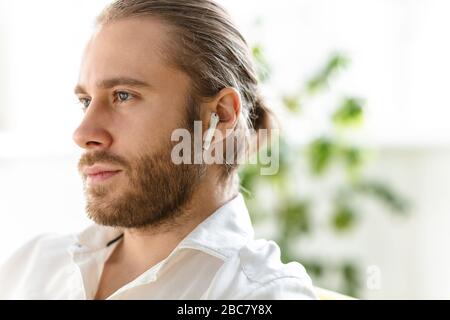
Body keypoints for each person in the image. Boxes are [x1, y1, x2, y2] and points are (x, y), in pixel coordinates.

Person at [0, 0, 316, 300]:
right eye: (85, 102)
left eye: (123, 96)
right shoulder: (32, 264)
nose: (83, 134)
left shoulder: (259, 294)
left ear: (220, 115)